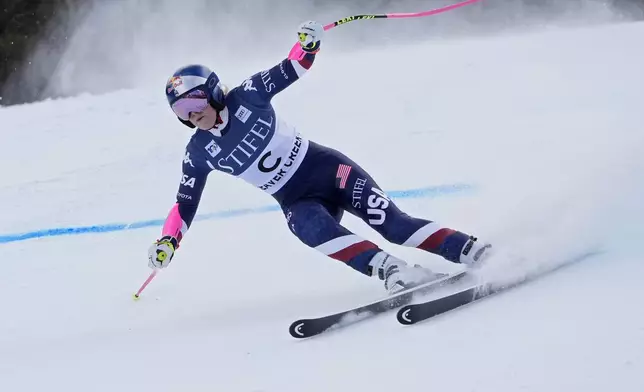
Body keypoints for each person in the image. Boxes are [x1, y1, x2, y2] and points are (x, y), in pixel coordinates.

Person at [148, 21, 491, 295]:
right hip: (297, 199)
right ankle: (392, 270)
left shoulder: (248, 95)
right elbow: (184, 203)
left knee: (395, 226)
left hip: (328, 170)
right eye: (180, 110)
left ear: (214, 91)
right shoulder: (198, 152)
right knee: (308, 229)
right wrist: (169, 241)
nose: (191, 115)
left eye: (194, 103)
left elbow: (293, 65)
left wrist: (309, 43)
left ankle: (468, 250)